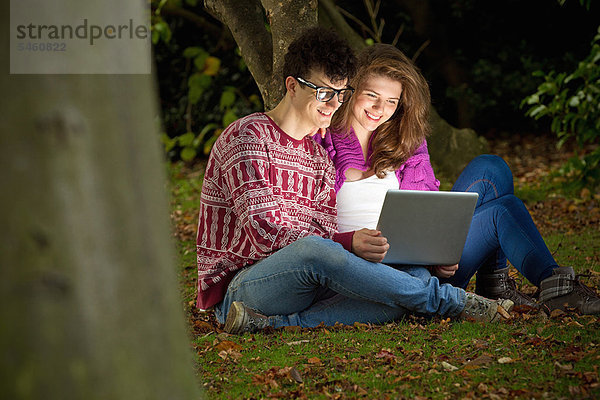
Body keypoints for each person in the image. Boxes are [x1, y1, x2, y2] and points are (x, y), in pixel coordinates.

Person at [195, 27, 515, 336]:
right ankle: (449, 301)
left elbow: (323, 231)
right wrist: (347, 244)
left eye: (340, 94)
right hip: (248, 284)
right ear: (292, 86)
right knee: (318, 251)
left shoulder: (318, 155)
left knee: (407, 280)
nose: (334, 104)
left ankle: (270, 325)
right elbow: (265, 234)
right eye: (323, 92)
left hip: (311, 281)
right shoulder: (248, 137)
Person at [315, 43, 600, 315]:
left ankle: (511, 286)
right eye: (371, 95)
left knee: (491, 168)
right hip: (372, 268)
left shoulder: (404, 137)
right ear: (351, 91)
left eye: (392, 101)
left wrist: (438, 254)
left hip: (425, 265)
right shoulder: (323, 138)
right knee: (503, 209)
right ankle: (544, 287)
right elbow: (304, 225)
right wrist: (348, 242)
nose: (380, 109)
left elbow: (425, 209)